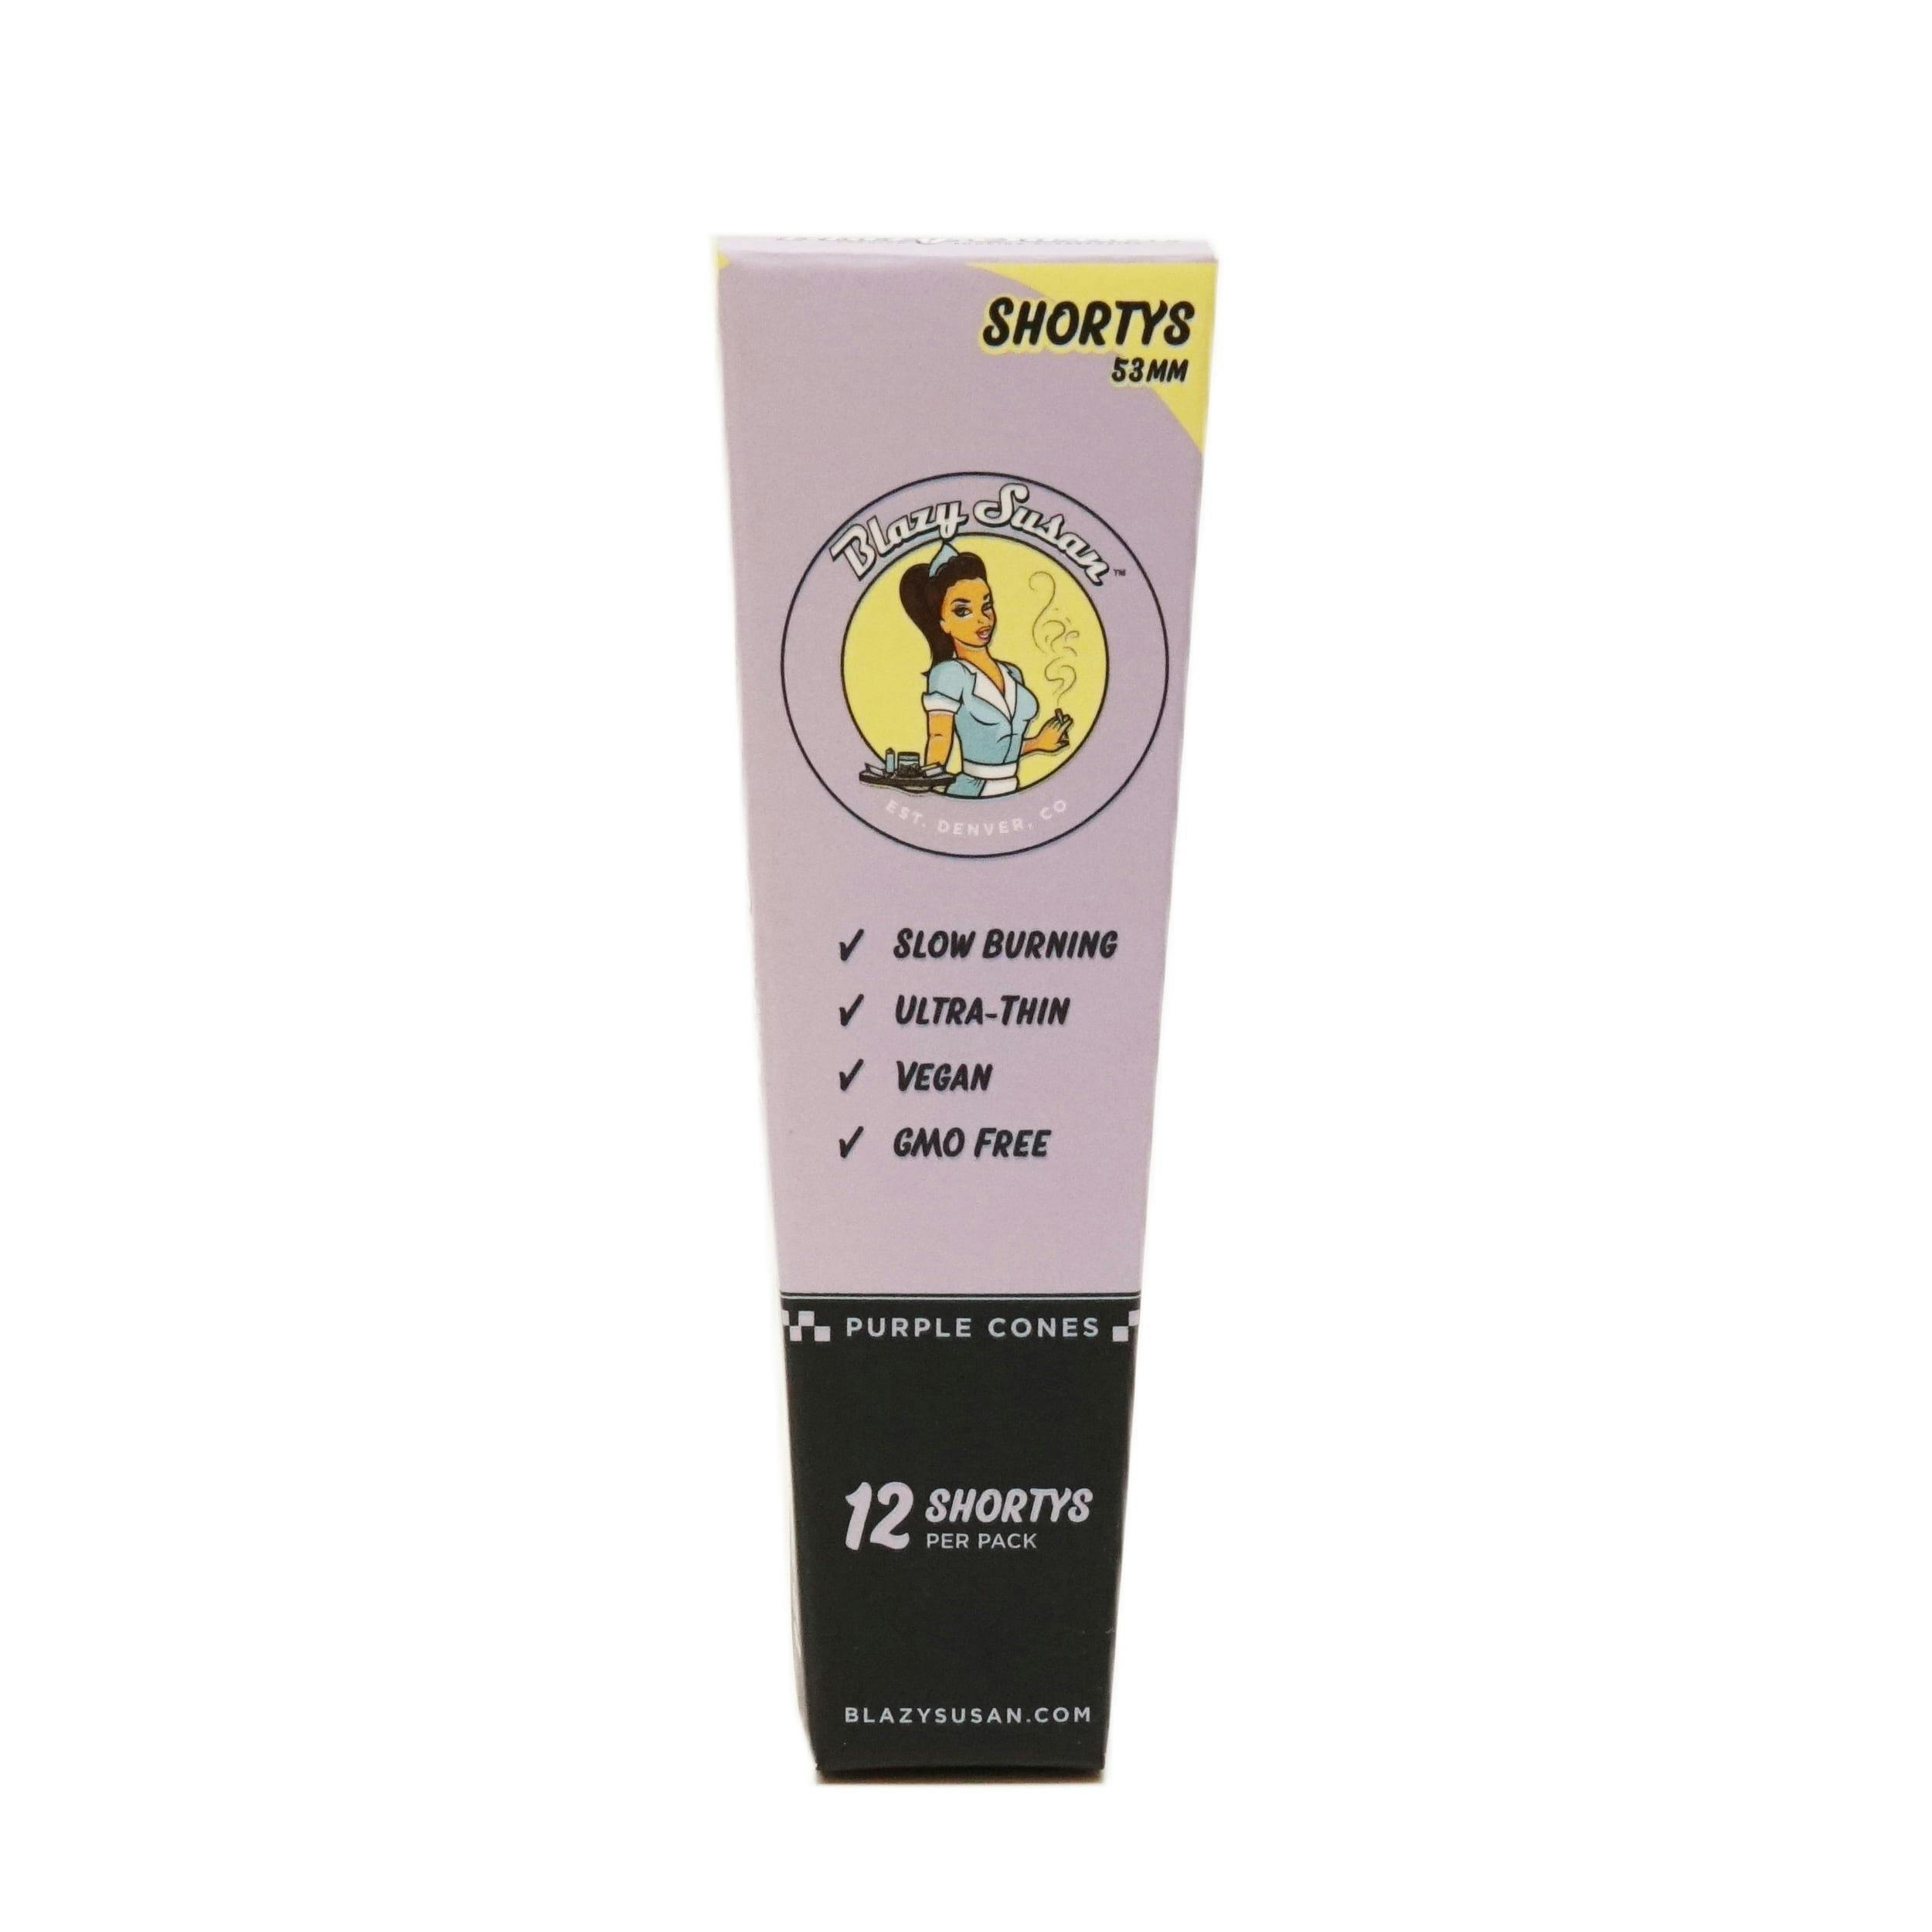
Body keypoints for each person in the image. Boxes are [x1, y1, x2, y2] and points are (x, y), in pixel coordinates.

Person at [899, 544, 1073, 798]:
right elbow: (939, 737)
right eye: (963, 611)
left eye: (986, 606)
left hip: (1012, 789)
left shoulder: (1012, 673)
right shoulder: (949, 675)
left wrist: (1039, 743)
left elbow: (999, 747)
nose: (983, 619)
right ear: (943, 623)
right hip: (972, 791)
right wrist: (928, 787)